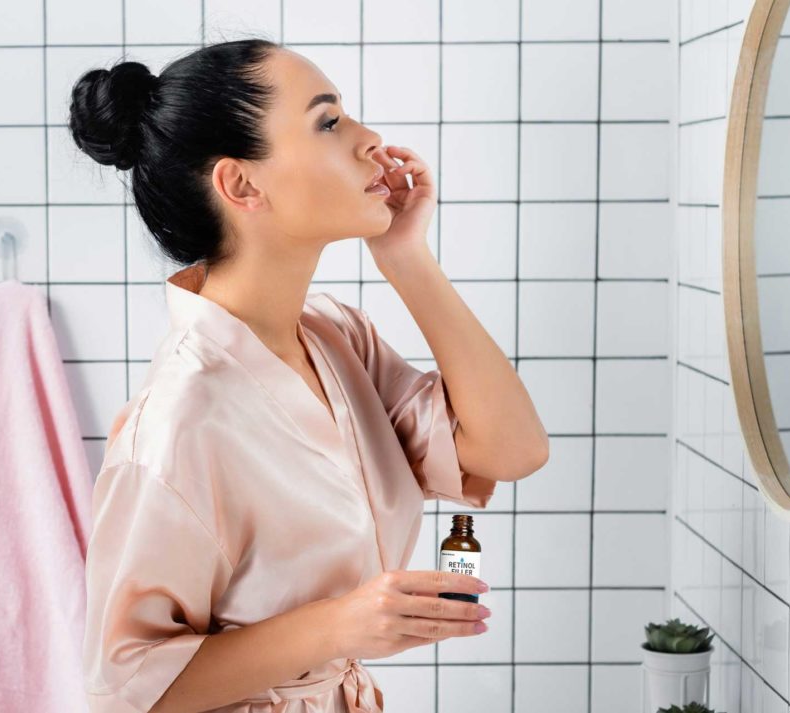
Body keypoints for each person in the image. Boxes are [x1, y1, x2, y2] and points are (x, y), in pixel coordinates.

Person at [69, 37, 549, 713]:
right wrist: (342, 624)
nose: (369, 138)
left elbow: (513, 448)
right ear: (241, 183)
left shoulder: (336, 336)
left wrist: (408, 258)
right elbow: (123, 688)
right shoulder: (181, 416)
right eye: (328, 122)